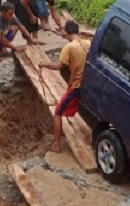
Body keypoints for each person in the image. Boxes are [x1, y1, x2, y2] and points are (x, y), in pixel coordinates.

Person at [39, 20, 91, 152]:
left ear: (67, 33)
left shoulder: (69, 47)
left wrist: (45, 64)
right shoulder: (87, 43)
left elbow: (59, 66)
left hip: (76, 86)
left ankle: (56, 144)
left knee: (58, 112)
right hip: (89, 85)